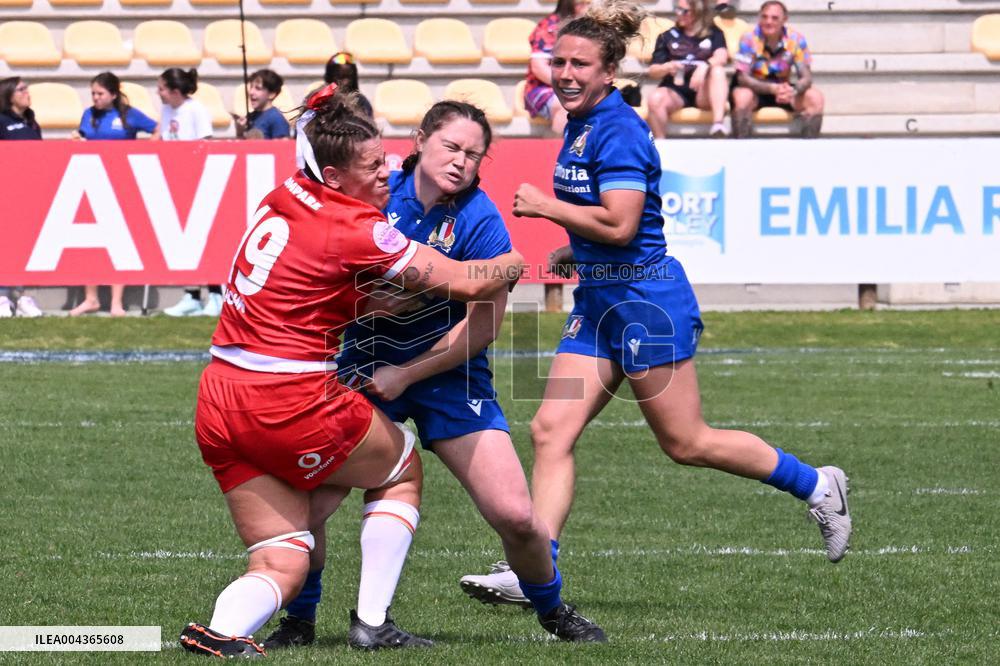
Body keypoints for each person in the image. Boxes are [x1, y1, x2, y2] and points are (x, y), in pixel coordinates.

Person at [460, 0, 852, 607]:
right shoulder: (582, 120)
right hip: (600, 298)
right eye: (559, 61)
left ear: (608, 71)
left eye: (579, 64)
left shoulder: (616, 128)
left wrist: (546, 208)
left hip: (645, 300)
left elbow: (621, 224)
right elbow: (606, 226)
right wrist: (573, 251)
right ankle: (535, 568)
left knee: (686, 443)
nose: (563, 73)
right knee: (549, 430)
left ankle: (817, 484)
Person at [179, 84, 525, 657]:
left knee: (282, 557)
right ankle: (372, 623)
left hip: (218, 397)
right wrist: (514, 262)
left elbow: (298, 282)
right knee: (402, 467)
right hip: (286, 394)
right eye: (372, 165)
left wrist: (357, 304)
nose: (388, 171)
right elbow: (467, 282)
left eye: (385, 158)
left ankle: (221, 632)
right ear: (335, 177)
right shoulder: (358, 227)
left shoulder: (284, 192)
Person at [263, 101, 606, 650]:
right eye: (451, 147)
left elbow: (486, 326)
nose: (461, 161)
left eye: (473, 154)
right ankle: (300, 622)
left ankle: (552, 610)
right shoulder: (374, 194)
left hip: (450, 375)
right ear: (420, 140)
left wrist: (408, 370)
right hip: (363, 369)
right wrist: (367, 309)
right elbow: (326, 278)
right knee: (311, 504)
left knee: (517, 516)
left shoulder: (479, 218)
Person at [70, 72, 158, 317]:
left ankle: (116, 303)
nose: (96, 98)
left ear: (113, 94)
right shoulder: (89, 114)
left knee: (119, 242)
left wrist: (144, 154)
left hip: (122, 182)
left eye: (100, 94)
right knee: (91, 242)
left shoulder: (128, 114)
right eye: (93, 94)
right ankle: (91, 298)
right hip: (93, 181)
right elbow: (83, 136)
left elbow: (156, 128)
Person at [155, 68, 222, 316]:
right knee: (183, 240)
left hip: (196, 180)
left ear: (174, 91)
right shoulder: (165, 110)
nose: (158, 93)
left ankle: (215, 293)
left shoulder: (195, 110)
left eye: (162, 88)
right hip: (174, 180)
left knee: (205, 237)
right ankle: (191, 294)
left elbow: (205, 143)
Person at [731, 0, 824, 138]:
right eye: (764, 17)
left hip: (784, 90)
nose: (768, 22)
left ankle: (810, 146)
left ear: (784, 20)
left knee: (815, 98)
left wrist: (794, 90)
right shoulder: (748, 39)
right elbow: (742, 78)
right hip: (756, 89)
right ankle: (741, 144)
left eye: (774, 18)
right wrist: (771, 89)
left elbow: (806, 77)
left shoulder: (796, 39)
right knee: (742, 96)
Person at [646, 0, 730, 138]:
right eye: (678, 9)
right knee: (655, 99)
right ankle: (660, 145)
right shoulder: (667, 35)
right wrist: (667, 67)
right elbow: (653, 70)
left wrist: (704, 66)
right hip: (676, 89)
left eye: (685, 11)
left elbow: (722, 56)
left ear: (698, 12)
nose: (679, 14)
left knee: (718, 70)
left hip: (703, 90)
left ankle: (718, 125)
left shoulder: (713, 33)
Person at [0, 77, 43, 318]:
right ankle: (3, 295)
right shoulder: (2, 121)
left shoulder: (31, 121)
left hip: (30, 190)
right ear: (9, 95)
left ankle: (25, 296)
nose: (27, 93)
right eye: (22, 89)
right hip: (6, 190)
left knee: (27, 244)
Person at [524, 0, 591, 135]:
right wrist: (569, 84)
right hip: (543, 88)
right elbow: (538, 68)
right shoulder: (549, 27)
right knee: (566, 106)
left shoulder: (591, 29)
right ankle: (559, 150)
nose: (587, 6)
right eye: (582, 3)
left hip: (579, 86)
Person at [233, 69, 290, 140]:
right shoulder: (250, 117)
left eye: (258, 88)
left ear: (271, 94)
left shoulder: (276, 119)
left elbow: (282, 148)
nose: (251, 92)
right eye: (251, 87)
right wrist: (240, 130)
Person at [320, 52, 373, 119]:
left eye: (349, 77)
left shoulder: (361, 101)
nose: (346, 82)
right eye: (340, 77)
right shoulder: (320, 100)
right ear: (330, 77)